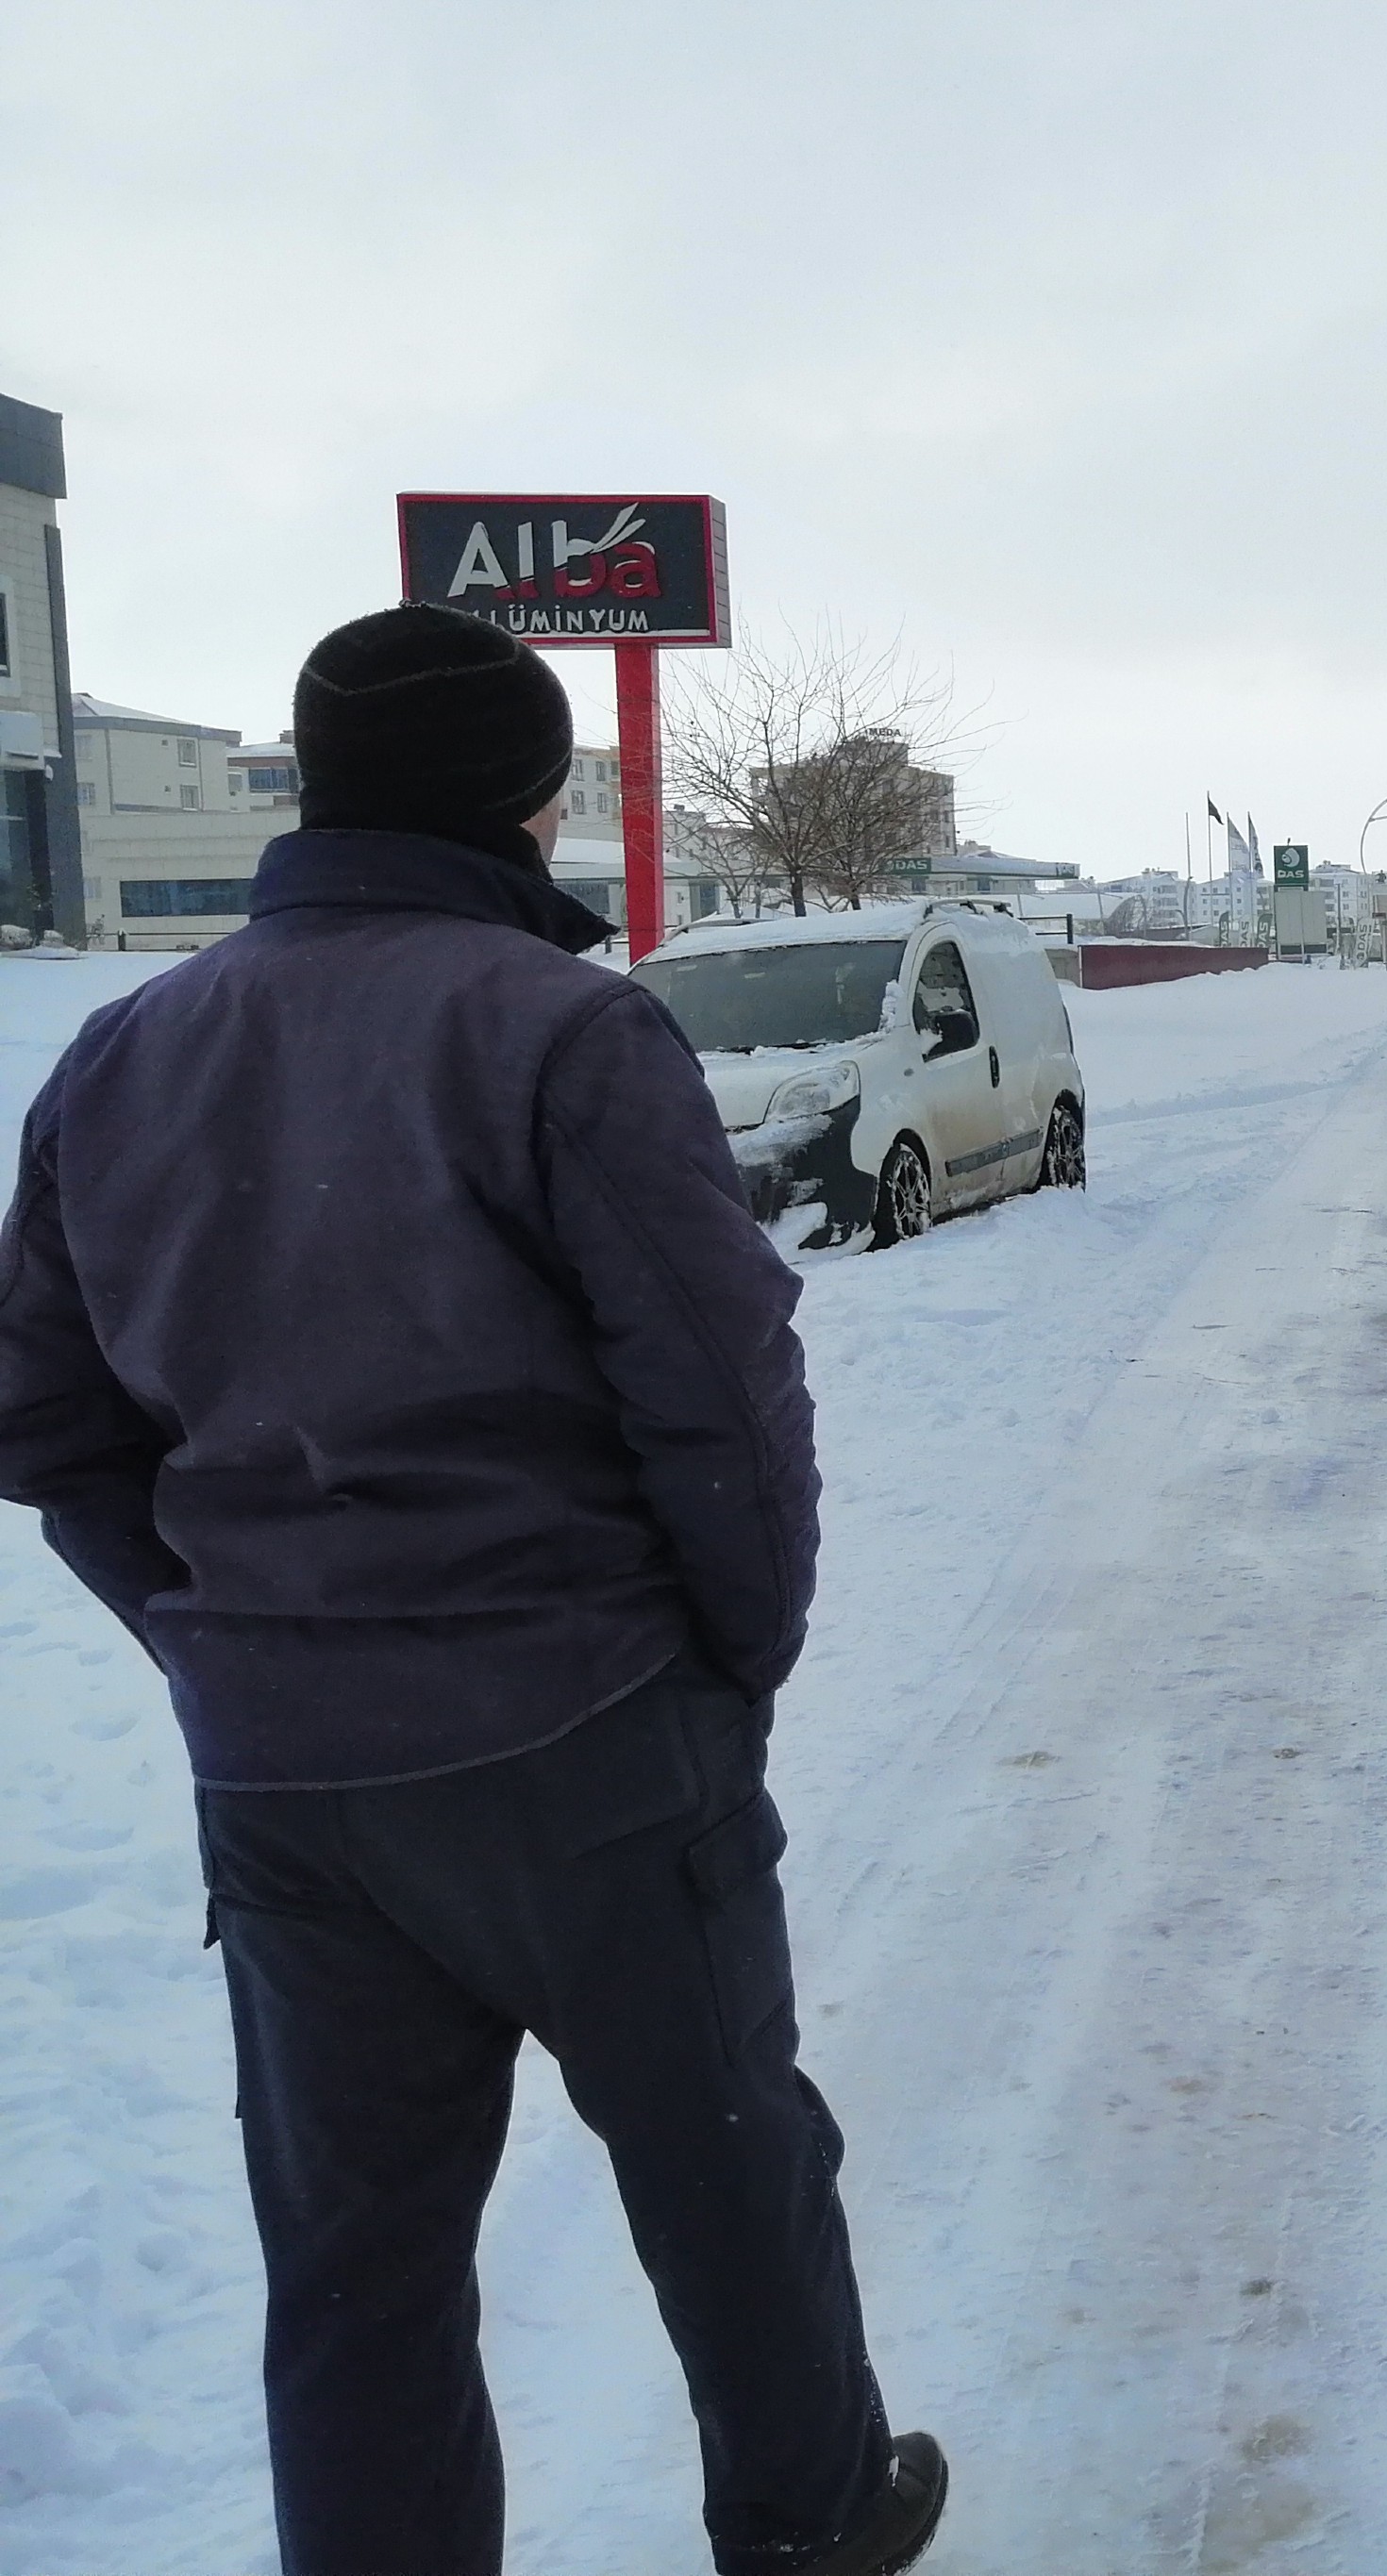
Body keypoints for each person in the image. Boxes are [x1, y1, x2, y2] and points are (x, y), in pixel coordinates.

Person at [0, 606, 943, 2576]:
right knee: (727, 2176)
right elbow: (717, 1386)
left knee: (354, 2269)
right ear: (526, 799)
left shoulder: (120, 1056)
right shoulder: (561, 1031)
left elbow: (52, 1423)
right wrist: (726, 1661)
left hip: (286, 1785)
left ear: (319, 781)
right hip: (587, 1739)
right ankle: (816, 2527)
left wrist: (214, 1632)